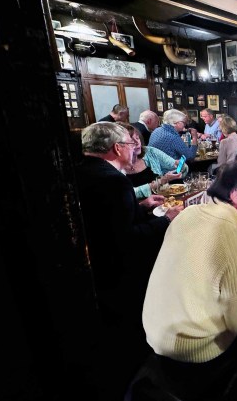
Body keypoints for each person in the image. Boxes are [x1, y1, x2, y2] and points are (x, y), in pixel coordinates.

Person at [139, 162, 237, 400]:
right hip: (192, 350)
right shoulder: (234, 238)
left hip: (153, 332)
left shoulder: (188, 214)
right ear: (236, 194)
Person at [75, 122, 182, 400]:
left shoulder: (83, 170)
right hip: (121, 275)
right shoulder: (112, 180)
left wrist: (141, 206)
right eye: (130, 143)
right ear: (117, 148)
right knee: (130, 336)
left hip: (97, 271)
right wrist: (166, 221)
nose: (135, 147)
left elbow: (108, 221)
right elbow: (127, 240)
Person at [118, 123, 187, 199]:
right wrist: (162, 181)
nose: (137, 143)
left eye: (137, 138)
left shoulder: (150, 152)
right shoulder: (115, 165)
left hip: (160, 201)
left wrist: (180, 166)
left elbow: (177, 167)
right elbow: (126, 194)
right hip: (136, 207)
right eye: (131, 141)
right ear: (118, 146)